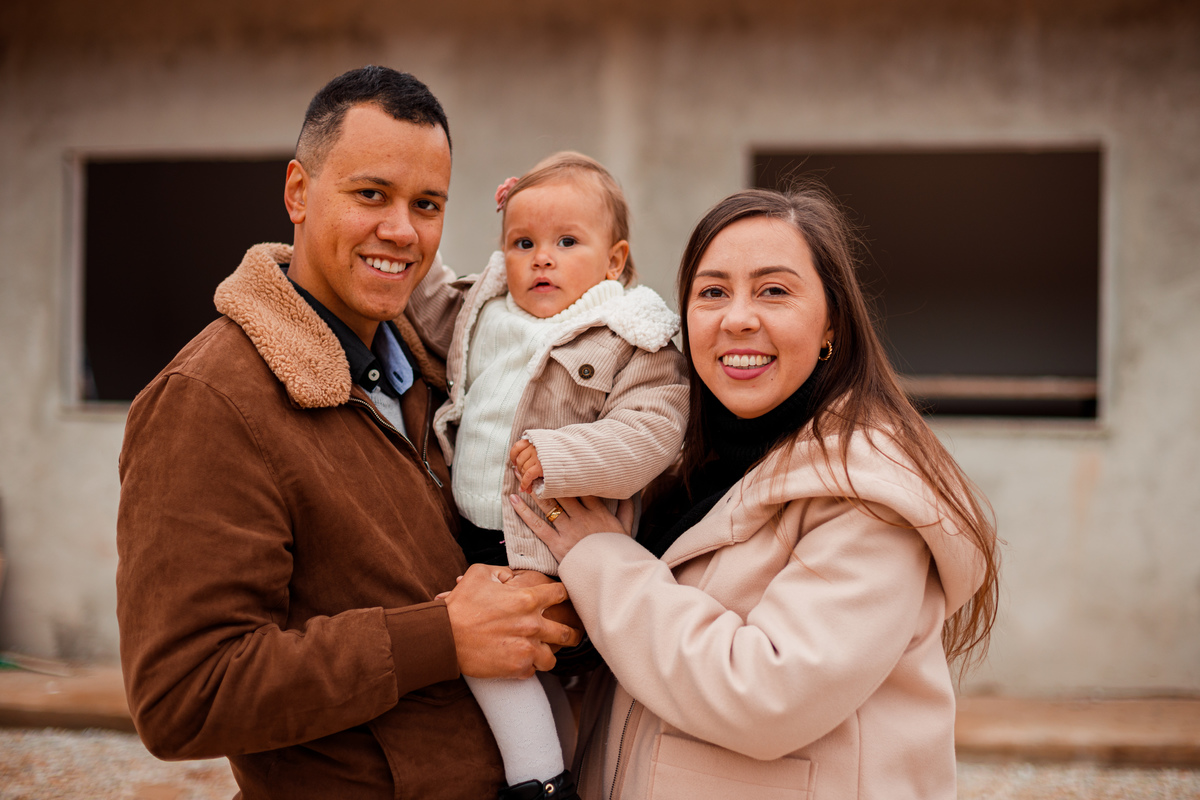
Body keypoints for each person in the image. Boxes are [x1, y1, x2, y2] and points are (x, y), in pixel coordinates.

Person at [116, 66, 581, 800]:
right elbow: (185, 697)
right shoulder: (208, 400)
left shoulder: (440, 368)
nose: (401, 230)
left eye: (426, 204)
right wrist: (443, 637)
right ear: (298, 194)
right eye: (371, 195)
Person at [512, 187, 1001, 799]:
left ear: (831, 324)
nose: (737, 318)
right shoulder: (684, 471)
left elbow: (766, 696)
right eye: (712, 292)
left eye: (774, 290)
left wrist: (601, 560)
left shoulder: (870, 497)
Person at [405, 151, 688, 800]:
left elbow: (652, 433)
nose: (541, 258)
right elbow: (420, 298)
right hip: (472, 532)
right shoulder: (486, 310)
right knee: (528, 670)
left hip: (551, 542)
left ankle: (538, 783)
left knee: (496, 659)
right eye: (522, 242)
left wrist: (565, 457)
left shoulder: (629, 334)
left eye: (566, 242)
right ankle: (562, 772)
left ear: (614, 261)